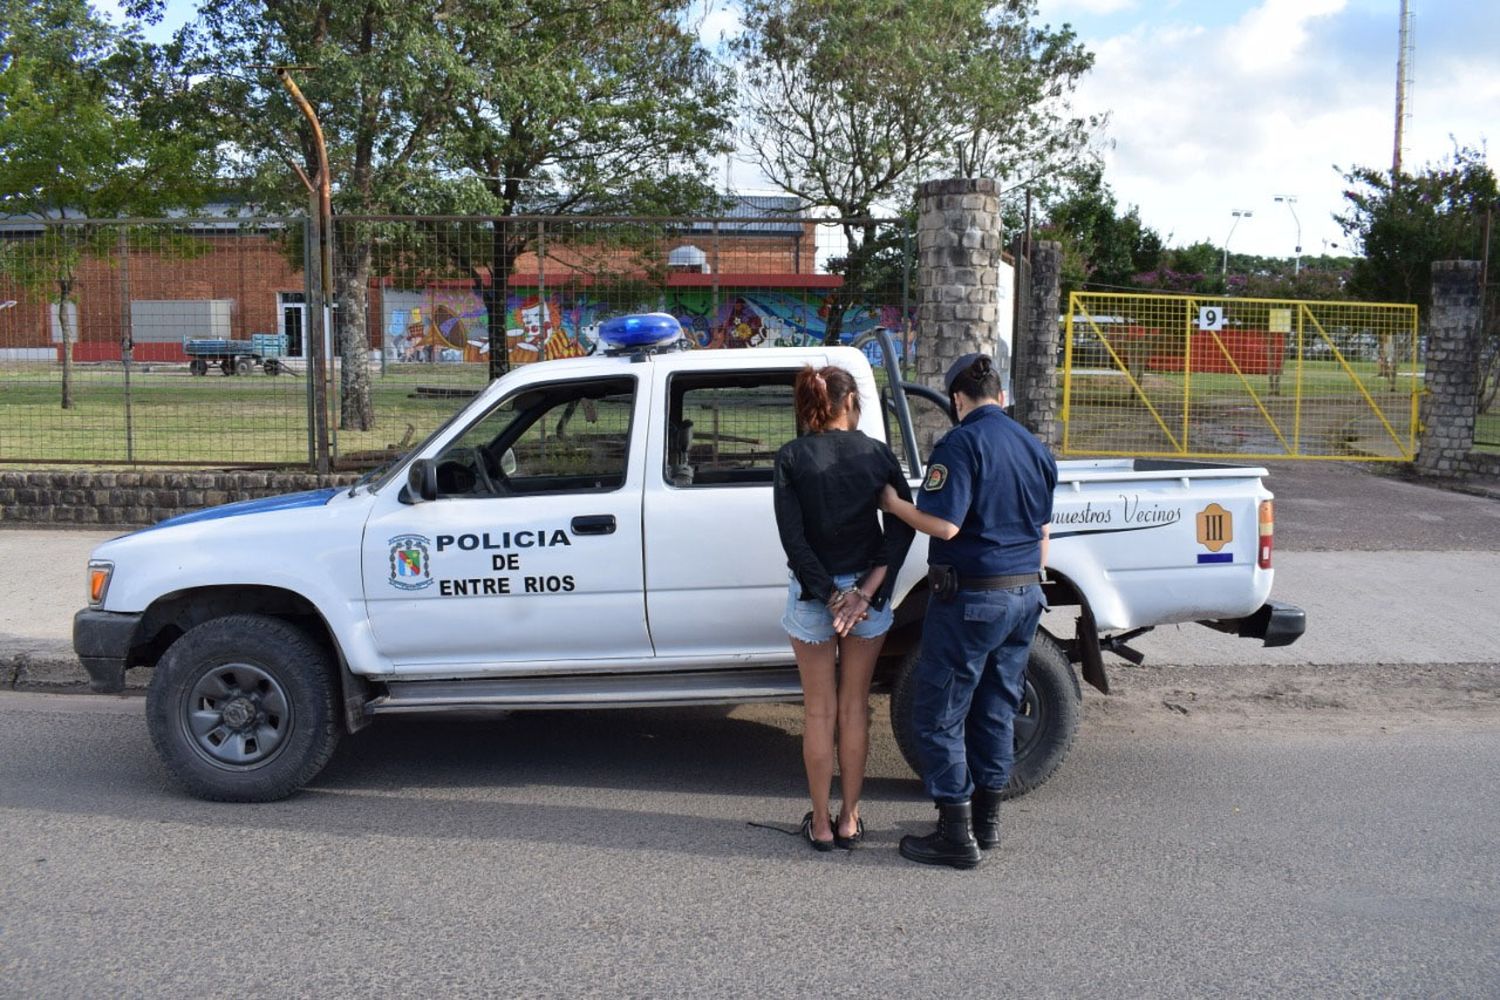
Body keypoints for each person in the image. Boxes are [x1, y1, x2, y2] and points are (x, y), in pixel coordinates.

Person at [879, 352, 1057, 869]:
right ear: (1000, 396)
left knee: (939, 712)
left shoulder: (959, 443)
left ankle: (955, 835)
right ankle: (986, 824)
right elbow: (1043, 536)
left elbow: (945, 526)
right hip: (1025, 595)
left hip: (973, 599)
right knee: (997, 708)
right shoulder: (1034, 447)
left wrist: (893, 504)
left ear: (958, 400)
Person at [773, 365, 915, 851]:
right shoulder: (876, 454)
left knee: (819, 712)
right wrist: (864, 592)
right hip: (867, 596)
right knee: (855, 708)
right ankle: (851, 819)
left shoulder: (791, 457)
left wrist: (830, 594)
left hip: (815, 598)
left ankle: (820, 824)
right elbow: (902, 523)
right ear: (850, 400)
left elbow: (793, 539)